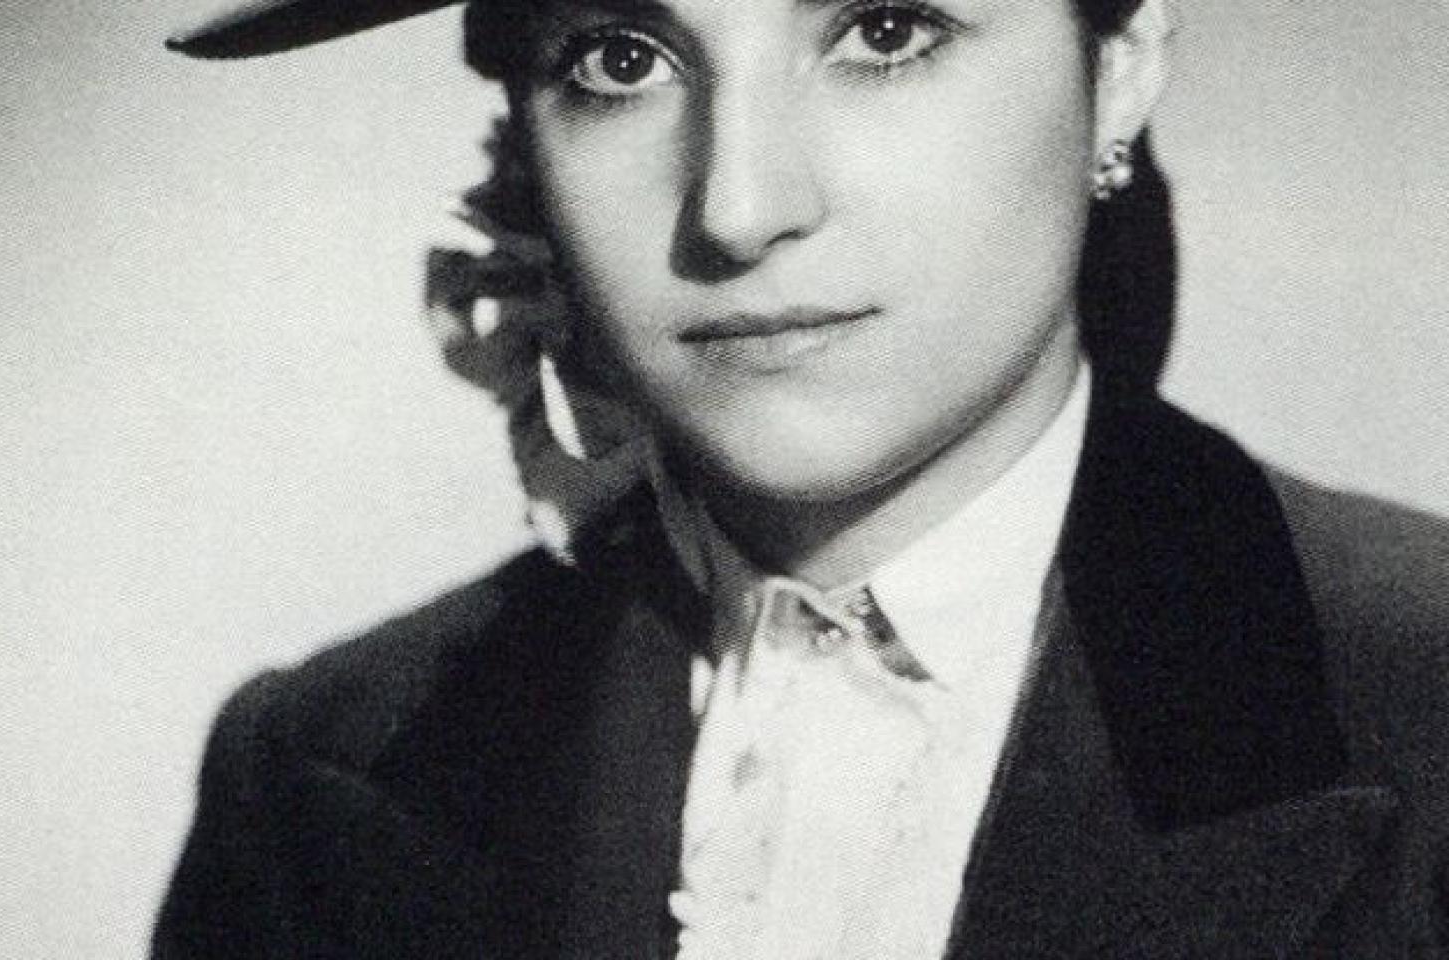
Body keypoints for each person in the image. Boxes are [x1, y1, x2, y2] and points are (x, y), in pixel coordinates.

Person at [151, 0, 1449, 956]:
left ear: (1117, 70)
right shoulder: (319, 773)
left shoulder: (1421, 692)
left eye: (885, 31)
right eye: (620, 59)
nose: (739, 206)